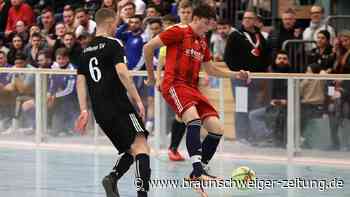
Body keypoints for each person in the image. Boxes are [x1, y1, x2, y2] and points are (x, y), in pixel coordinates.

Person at [144, 4, 249, 195]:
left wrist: (236, 75)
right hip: (174, 84)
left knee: (217, 128)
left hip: (192, 89)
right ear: (198, 18)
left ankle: (195, 173)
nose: (209, 28)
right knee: (193, 120)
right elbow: (148, 47)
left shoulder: (201, 42)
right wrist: (152, 77)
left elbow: (211, 69)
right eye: (208, 24)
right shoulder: (178, 31)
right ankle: (199, 171)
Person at [75, 8, 151, 197]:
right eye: (116, 23)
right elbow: (123, 72)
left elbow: (80, 81)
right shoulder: (114, 43)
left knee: (131, 148)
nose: (117, 26)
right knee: (142, 147)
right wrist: (137, 99)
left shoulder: (85, 50)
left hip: (100, 113)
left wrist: (84, 110)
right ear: (109, 23)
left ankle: (112, 178)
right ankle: (142, 194)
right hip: (119, 106)